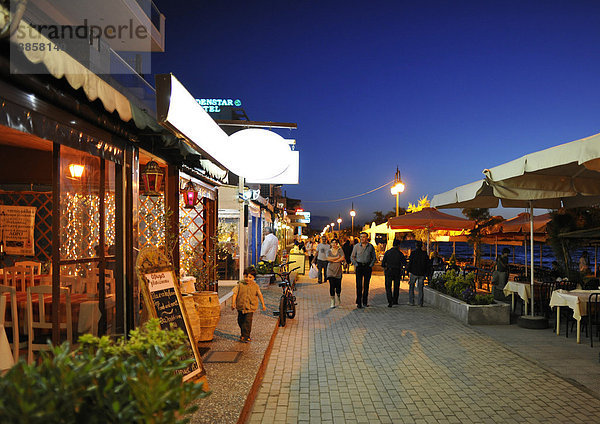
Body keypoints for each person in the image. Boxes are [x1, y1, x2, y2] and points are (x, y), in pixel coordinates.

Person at [231, 267, 266, 343]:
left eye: (250, 277)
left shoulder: (255, 286)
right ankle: (243, 333)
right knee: (240, 321)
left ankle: (247, 336)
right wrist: (233, 303)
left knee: (248, 321)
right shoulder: (240, 284)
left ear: (253, 277)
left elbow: (259, 295)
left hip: (250, 307)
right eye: (246, 276)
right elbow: (235, 294)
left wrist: (263, 304)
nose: (247, 279)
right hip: (241, 306)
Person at [350, 232, 376, 308]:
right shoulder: (356, 246)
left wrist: (371, 265)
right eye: (361, 237)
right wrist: (356, 264)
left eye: (364, 237)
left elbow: (374, 257)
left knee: (366, 285)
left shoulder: (370, 246)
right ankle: (359, 302)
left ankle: (365, 301)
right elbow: (352, 257)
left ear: (367, 238)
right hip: (359, 266)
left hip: (367, 267)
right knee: (359, 285)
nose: (362, 238)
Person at [381, 239, 407, 307]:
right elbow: (404, 263)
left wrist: (385, 268)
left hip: (389, 271)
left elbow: (383, 263)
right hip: (397, 271)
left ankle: (390, 301)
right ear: (398, 245)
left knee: (388, 286)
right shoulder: (400, 253)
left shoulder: (387, 252)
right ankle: (395, 300)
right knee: (396, 286)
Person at [407, 241, 430, 307]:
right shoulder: (424, 254)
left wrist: (408, 271)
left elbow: (410, 262)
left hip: (413, 272)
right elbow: (427, 264)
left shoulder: (413, 253)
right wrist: (426, 273)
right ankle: (420, 303)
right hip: (421, 273)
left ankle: (411, 301)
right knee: (420, 288)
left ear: (416, 246)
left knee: (411, 287)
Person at [326, 239, 345, 308]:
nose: (334, 244)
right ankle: (332, 300)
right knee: (332, 286)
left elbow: (342, 257)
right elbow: (328, 258)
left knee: (338, 286)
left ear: (337, 244)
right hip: (330, 270)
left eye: (335, 243)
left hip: (338, 271)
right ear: (330, 244)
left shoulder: (340, 250)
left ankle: (338, 297)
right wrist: (337, 258)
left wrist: (333, 260)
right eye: (332, 243)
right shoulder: (329, 251)